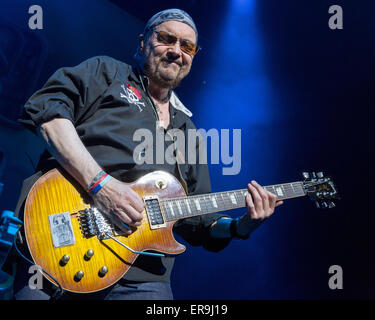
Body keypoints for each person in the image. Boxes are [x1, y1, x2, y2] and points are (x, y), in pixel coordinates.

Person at [9, 9, 282, 300]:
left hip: (142, 277)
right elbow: (48, 114)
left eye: (187, 46)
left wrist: (242, 226)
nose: (177, 51)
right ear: (143, 43)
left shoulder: (188, 132)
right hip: (62, 241)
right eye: (167, 39)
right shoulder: (106, 73)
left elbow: (200, 225)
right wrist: (100, 185)